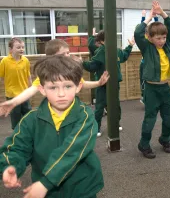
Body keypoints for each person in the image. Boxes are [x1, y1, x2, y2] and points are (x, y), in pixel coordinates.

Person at [0, 55, 104, 198]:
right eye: (53, 87)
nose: (61, 94)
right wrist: (10, 165)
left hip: (81, 188)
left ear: (78, 87)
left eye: (68, 86)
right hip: (48, 192)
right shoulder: (31, 119)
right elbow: (17, 148)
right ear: (42, 89)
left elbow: (73, 150)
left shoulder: (85, 116)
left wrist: (46, 182)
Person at [0, 39, 109, 118]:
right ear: (52, 57)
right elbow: (31, 90)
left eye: (68, 53)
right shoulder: (48, 75)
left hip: (72, 110)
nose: (67, 56)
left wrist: (98, 83)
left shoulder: (69, 71)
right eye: (63, 54)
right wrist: (13, 102)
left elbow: (83, 84)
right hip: (53, 112)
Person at [134, 0, 170, 159]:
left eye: (164, 37)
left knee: (169, 119)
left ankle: (164, 139)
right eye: (158, 38)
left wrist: (162, 13)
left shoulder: (166, 46)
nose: (161, 41)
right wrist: (149, 17)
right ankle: (144, 145)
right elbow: (138, 32)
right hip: (151, 89)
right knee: (150, 120)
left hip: (165, 88)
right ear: (150, 38)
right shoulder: (147, 48)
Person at [82, 31, 133, 136]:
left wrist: (130, 46)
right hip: (102, 84)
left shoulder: (116, 51)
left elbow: (124, 56)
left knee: (115, 105)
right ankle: (97, 127)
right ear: (101, 41)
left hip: (114, 83)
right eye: (107, 39)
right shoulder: (101, 51)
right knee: (100, 106)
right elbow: (92, 66)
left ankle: (115, 123)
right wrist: (82, 63)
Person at [0, 38, 32, 129]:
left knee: (28, 113)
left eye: (22, 47)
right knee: (15, 116)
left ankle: (29, 130)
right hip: (12, 94)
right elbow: (1, 77)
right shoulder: (4, 61)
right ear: (11, 49)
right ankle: (16, 133)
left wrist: (30, 89)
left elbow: (28, 76)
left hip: (24, 93)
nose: (21, 49)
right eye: (18, 47)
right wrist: (8, 87)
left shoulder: (25, 60)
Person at [139, 10, 159, 105]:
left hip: (152, 64)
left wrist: (155, 17)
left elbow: (157, 28)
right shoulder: (145, 42)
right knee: (144, 82)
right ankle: (144, 97)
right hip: (144, 63)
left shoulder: (154, 40)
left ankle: (150, 98)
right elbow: (140, 31)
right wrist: (144, 17)